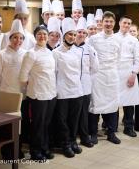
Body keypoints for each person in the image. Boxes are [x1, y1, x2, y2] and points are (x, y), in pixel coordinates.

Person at [19, 26, 57, 161]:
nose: (42, 36)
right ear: (35, 36)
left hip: (51, 93)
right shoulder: (31, 53)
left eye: (44, 34)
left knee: (47, 123)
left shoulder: (50, 52)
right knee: (38, 124)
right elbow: (23, 77)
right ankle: (35, 151)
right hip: (38, 95)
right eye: (39, 34)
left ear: (47, 36)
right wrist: (33, 84)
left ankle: (45, 148)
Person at [88, 11, 122, 144]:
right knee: (95, 104)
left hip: (112, 75)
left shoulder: (118, 39)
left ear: (114, 23)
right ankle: (93, 133)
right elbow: (90, 58)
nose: (108, 24)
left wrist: (112, 70)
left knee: (112, 105)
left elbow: (119, 58)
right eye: (106, 21)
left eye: (111, 22)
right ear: (101, 23)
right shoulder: (94, 39)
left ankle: (111, 132)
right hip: (97, 76)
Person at [52, 17, 84, 158]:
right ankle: (65, 144)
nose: (72, 37)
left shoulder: (78, 51)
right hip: (62, 91)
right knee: (62, 120)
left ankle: (73, 141)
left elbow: (80, 71)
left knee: (74, 119)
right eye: (69, 34)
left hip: (77, 90)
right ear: (64, 35)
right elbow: (54, 73)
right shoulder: (56, 52)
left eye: (74, 34)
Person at [115, 16, 139, 137]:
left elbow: (138, 59)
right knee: (114, 102)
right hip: (115, 73)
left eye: (129, 23)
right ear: (120, 23)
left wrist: (133, 74)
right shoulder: (113, 38)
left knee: (129, 103)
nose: (126, 25)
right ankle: (112, 126)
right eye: (124, 23)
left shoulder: (134, 40)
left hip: (129, 73)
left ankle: (128, 127)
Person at [74, 17, 99, 148]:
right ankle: (72, 139)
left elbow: (95, 68)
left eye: (84, 32)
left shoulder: (90, 49)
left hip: (85, 85)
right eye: (79, 32)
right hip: (71, 86)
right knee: (72, 114)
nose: (82, 35)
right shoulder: (69, 48)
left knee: (84, 113)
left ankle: (84, 137)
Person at [0, 19, 26, 92]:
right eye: (15, 37)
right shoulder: (1, 54)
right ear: (10, 38)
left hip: (22, 92)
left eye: (21, 38)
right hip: (6, 91)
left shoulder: (26, 54)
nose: (18, 40)